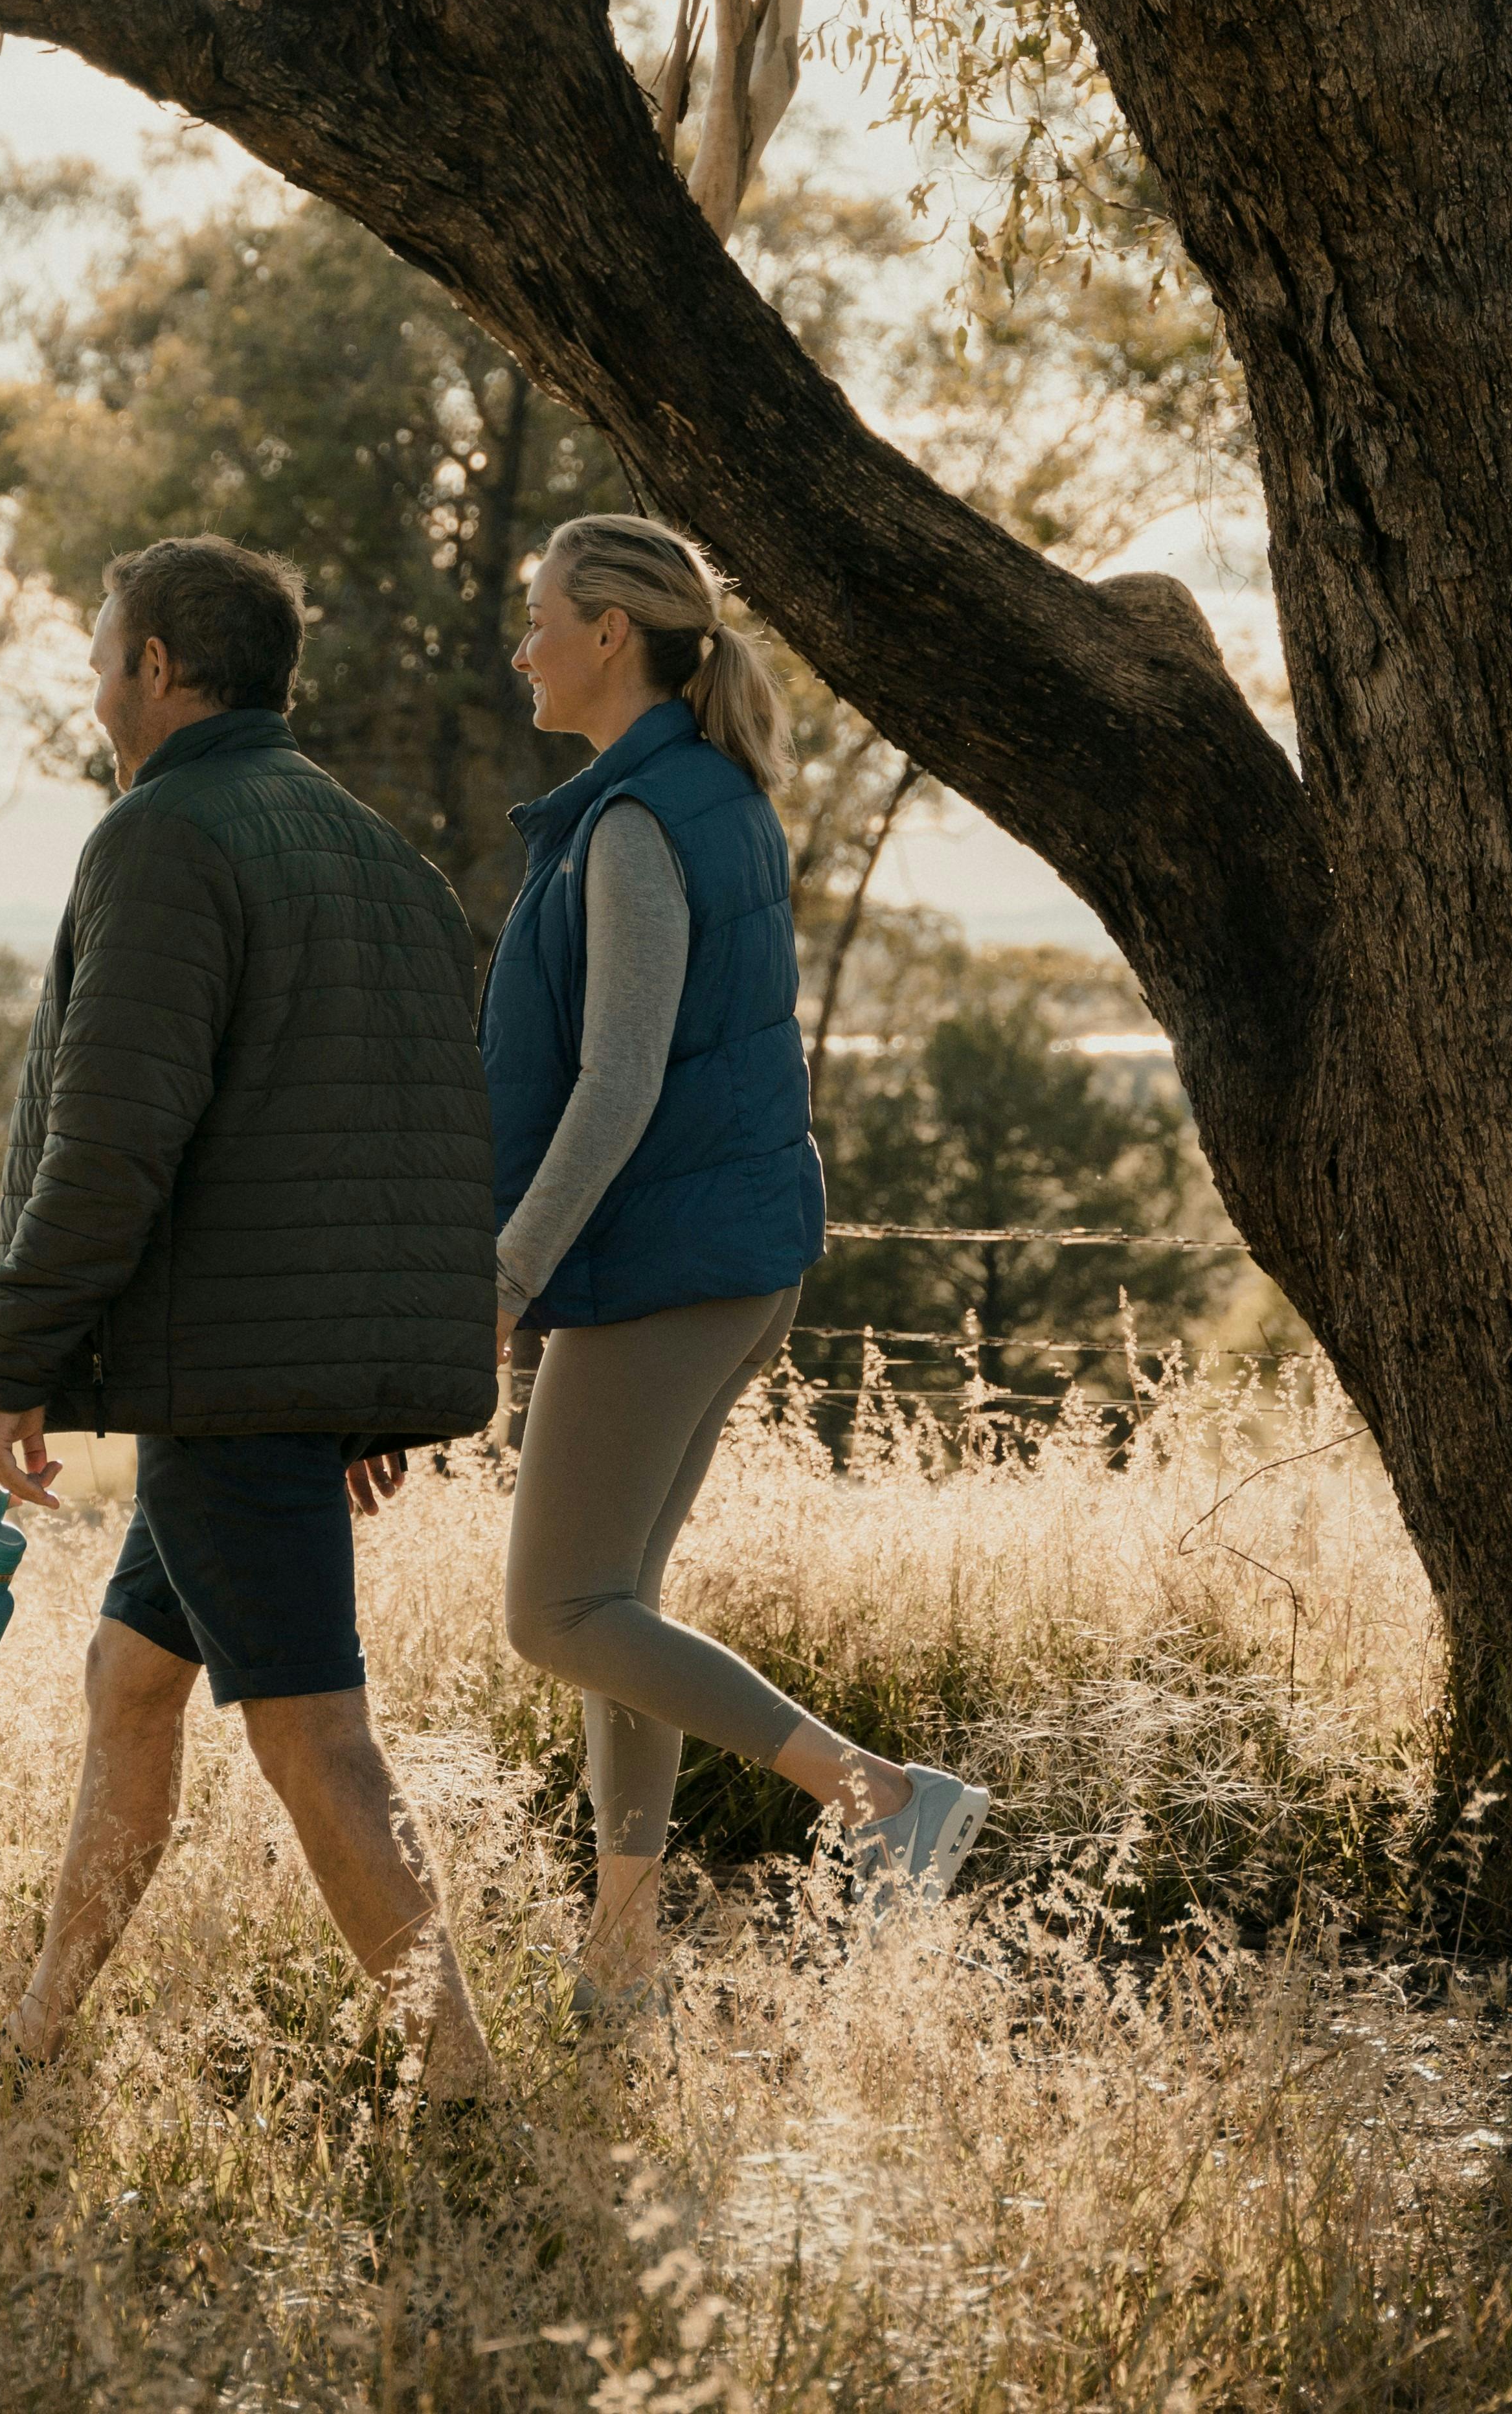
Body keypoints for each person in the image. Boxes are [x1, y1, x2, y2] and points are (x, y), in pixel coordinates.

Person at [0, 532, 506, 2097]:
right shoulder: (376, 856)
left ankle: (463, 2087)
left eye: (97, 654)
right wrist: (374, 1388)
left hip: (225, 1376)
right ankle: (35, 2038)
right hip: (281, 1373)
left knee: (309, 1736)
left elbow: (113, 1135)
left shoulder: (162, 840)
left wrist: (13, 1359)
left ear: (153, 668)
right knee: (133, 1683)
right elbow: (403, 1138)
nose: (90, 687)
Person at [489, 513, 984, 2025]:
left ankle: (884, 1799)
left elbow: (617, 1086)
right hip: (724, 1252)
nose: (523, 642)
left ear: (612, 637)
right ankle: (623, 1962)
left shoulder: (635, 824)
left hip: (666, 1264)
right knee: (615, 1613)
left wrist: (503, 1277)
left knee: (554, 1612)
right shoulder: (711, 798)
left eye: (540, 614)